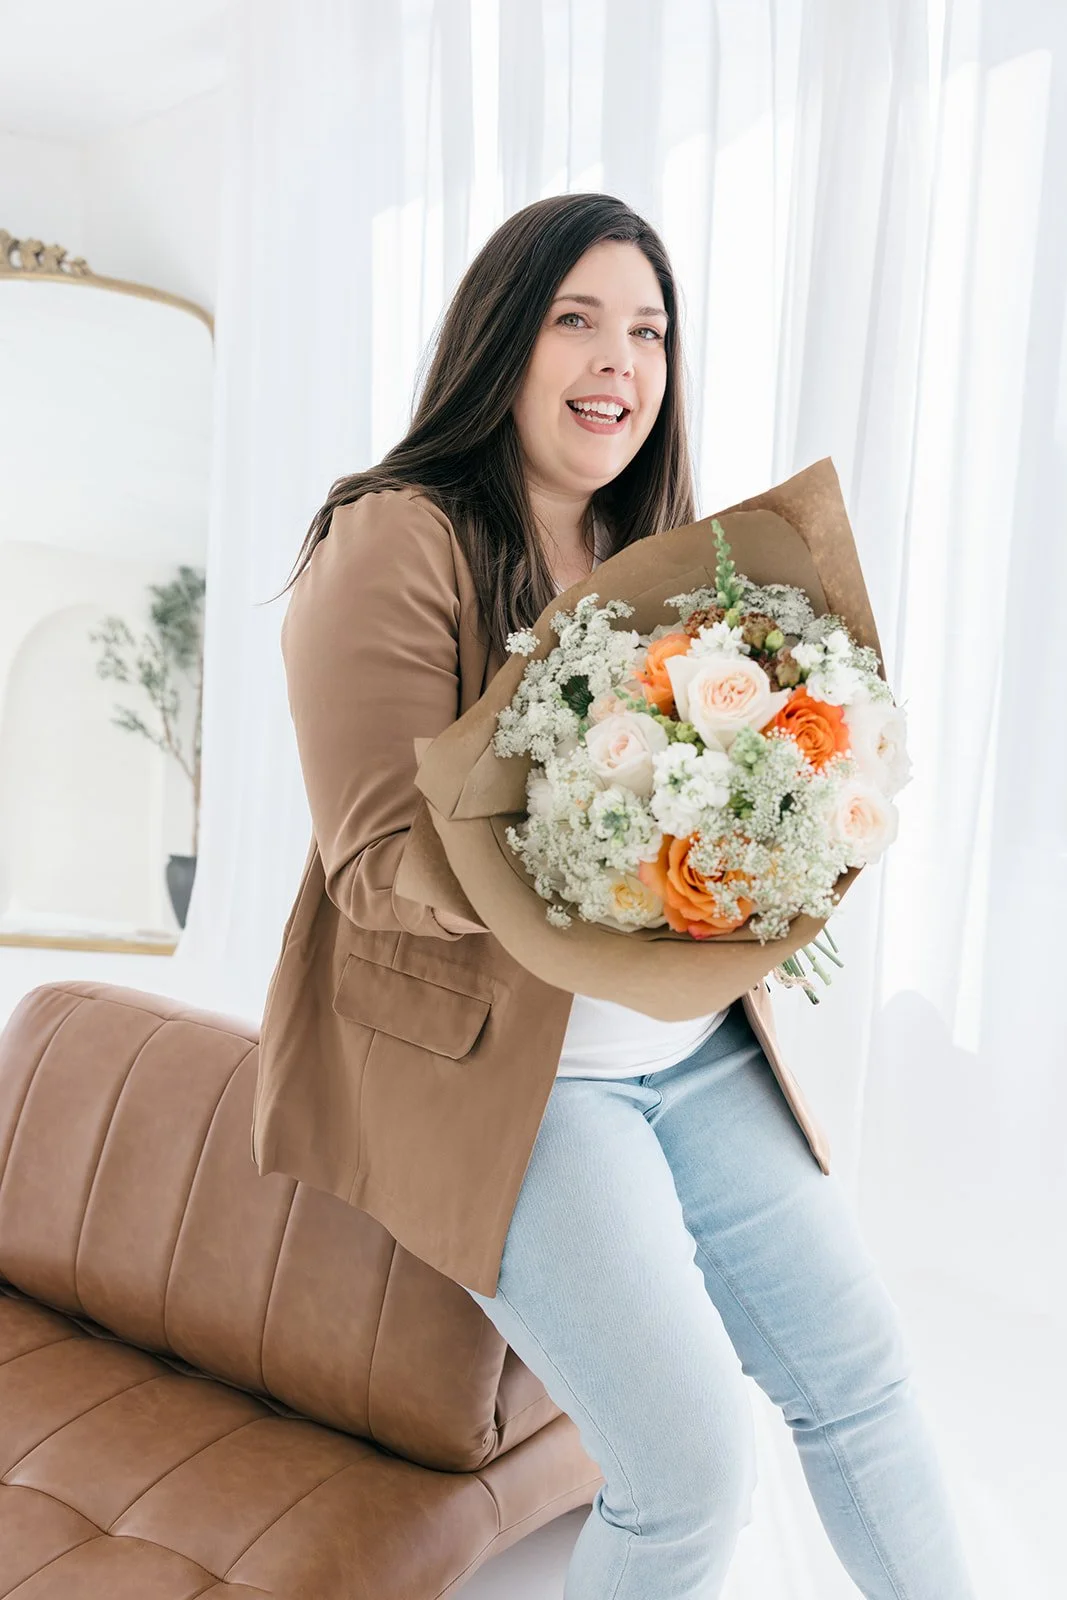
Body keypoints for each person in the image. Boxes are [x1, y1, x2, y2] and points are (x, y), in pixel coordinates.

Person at [260, 194, 977, 1598]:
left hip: (688, 1053)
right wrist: (600, 817)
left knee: (864, 1380)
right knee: (689, 1474)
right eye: (575, 319)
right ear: (499, 342)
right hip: (518, 1086)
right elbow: (373, 859)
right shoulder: (393, 536)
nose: (618, 361)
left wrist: (781, 816)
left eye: (647, 330)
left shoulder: (669, 560)